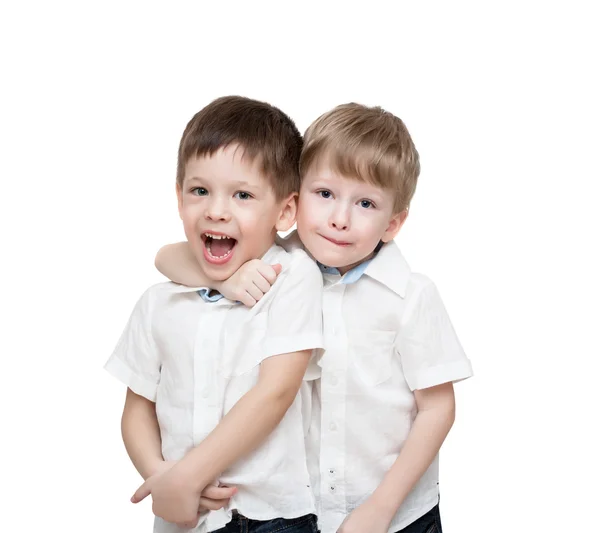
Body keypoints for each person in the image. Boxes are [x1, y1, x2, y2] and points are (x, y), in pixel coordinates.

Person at [156, 102, 474, 533]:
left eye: (365, 203)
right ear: (294, 198)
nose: (339, 219)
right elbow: (167, 258)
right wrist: (228, 281)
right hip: (310, 514)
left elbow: (437, 409)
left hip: (396, 513)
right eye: (324, 194)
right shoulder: (276, 264)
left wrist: (380, 509)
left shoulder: (410, 296)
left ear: (392, 223)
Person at [106, 96, 324, 533]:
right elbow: (137, 407)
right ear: (179, 195)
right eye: (199, 190)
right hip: (183, 516)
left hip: (270, 517)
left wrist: (189, 475)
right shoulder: (158, 303)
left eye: (242, 195)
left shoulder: (292, 275)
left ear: (285, 211)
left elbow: (275, 393)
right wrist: (163, 477)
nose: (216, 209)